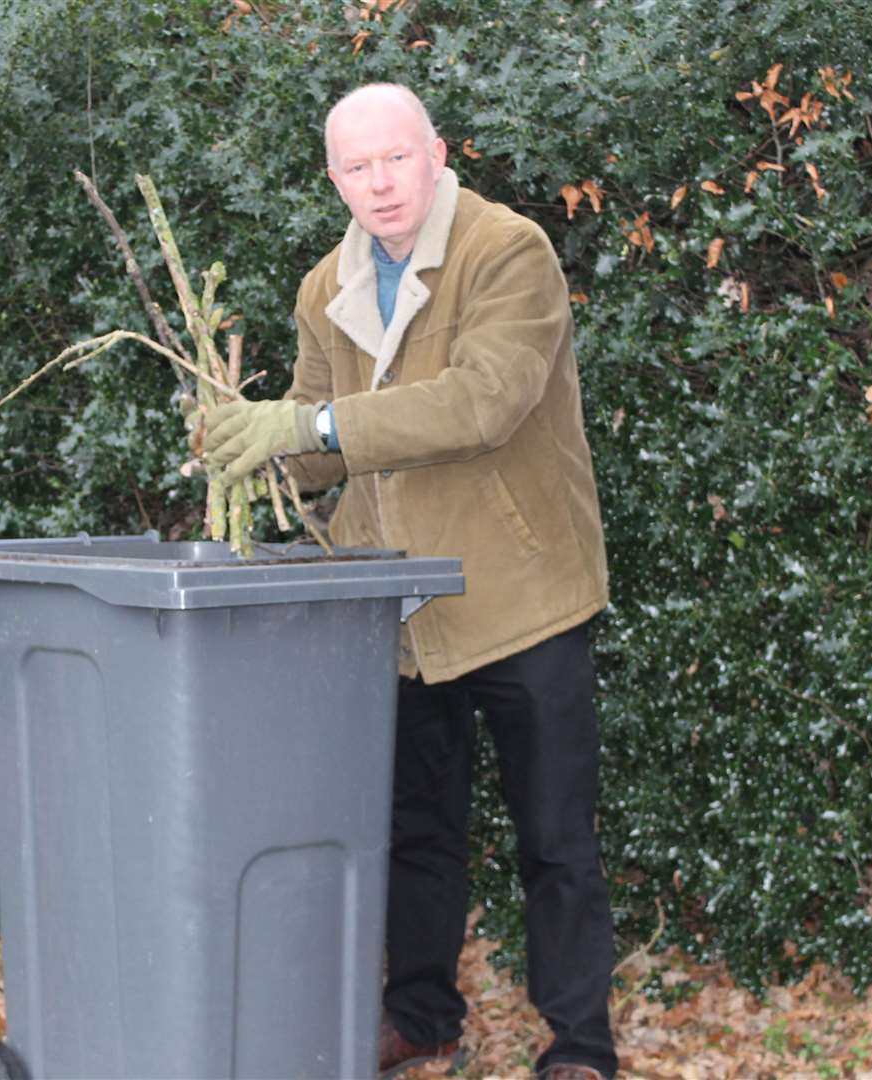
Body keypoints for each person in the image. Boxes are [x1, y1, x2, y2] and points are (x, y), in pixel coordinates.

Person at [203, 83, 617, 1080]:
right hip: (393, 607)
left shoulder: (506, 251)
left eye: (396, 158)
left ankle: (580, 1043)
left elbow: (484, 402)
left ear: (436, 152)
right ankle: (423, 1016)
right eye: (357, 167)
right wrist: (248, 436)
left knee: (555, 837)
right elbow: (315, 446)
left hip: (519, 592)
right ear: (334, 178)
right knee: (410, 835)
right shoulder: (323, 288)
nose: (380, 183)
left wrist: (313, 427)